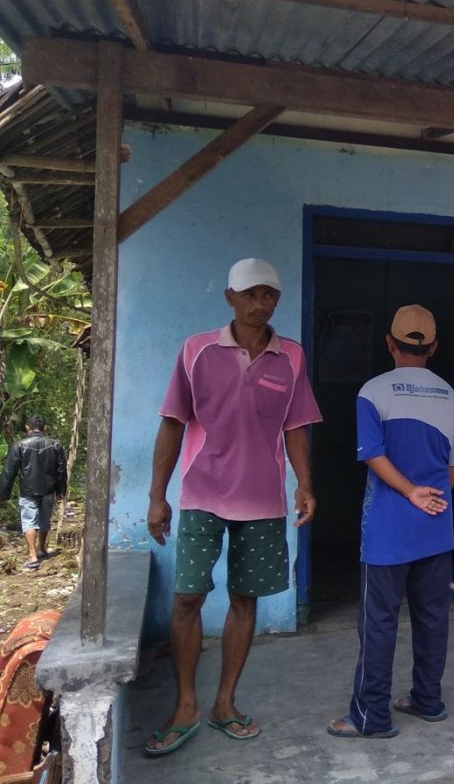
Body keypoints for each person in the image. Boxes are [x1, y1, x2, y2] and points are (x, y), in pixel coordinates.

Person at [144, 258, 322, 757]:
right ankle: (185, 705)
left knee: (246, 599)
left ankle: (225, 703)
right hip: (201, 494)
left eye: (269, 295)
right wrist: (158, 496)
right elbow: (173, 423)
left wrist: (304, 484)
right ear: (230, 297)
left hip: (263, 501)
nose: (259, 303)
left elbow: (296, 426)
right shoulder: (196, 351)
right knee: (187, 598)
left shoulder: (291, 357)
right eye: (249, 294)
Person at [328, 304, 454, 739]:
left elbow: (371, 454)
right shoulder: (449, 396)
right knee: (432, 618)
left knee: (379, 622)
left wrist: (407, 493)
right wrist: (428, 498)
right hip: (435, 526)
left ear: (389, 344)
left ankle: (371, 716)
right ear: (435, 347)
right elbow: (452, 469)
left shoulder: (374, 392)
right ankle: (427, 699)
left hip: (388, 530)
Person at [0, 415, 67, 570]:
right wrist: (61, 491)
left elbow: (9, 472)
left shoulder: (20, 445)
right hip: (49, 490)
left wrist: (3, 494)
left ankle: (32, 556)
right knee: (44, 520)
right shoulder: (55, 445)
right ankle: (42, 549)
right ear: (45, 428)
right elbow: (61, 470)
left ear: (27, 427)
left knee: (29, 521)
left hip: (28, 490)